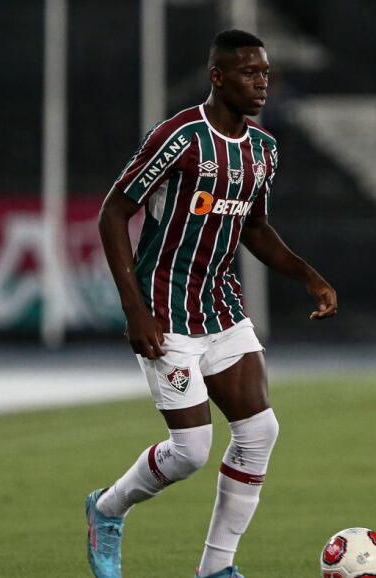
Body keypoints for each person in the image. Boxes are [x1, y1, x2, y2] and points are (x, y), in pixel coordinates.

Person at [87, 30, 337, 578]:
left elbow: (256, 227)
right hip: (165, 311)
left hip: (221, 308)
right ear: (218, 77)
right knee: (191, 451)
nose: (262, 83)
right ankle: (106, 509)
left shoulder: (263, 150)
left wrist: (308, 276)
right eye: (249, 72)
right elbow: (113, 212)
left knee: (259, 432)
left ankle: (216, 569)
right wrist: (134, 309)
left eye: (265, 72)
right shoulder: (179, 137)